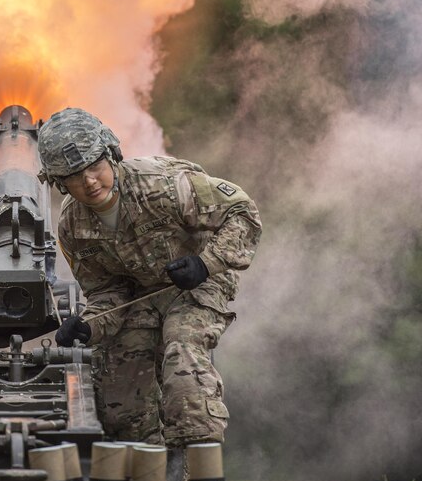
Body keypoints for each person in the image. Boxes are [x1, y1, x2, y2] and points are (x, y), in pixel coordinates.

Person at [39, 108, 261, 462]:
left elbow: (243, 213)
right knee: (118, 393)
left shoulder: (163, 184)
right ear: (58, 182)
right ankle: (149, 480)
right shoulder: (71, 226)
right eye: (74, 177)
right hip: (141, 296)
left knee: (182, 357)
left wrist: (206, 264)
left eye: (94, 167)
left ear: (110, 154)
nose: (90, 182)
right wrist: (87, 327)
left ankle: (199, 476)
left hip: (198, 284)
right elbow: (107, 293)